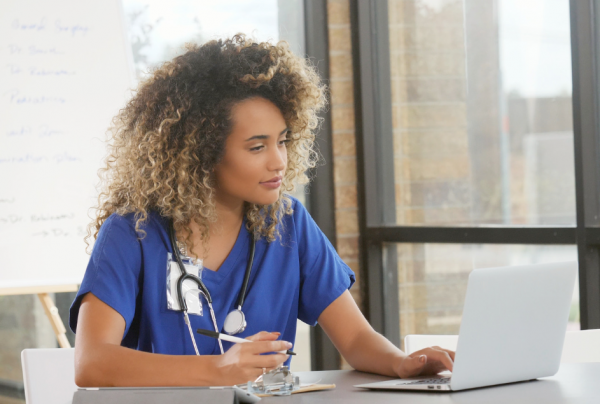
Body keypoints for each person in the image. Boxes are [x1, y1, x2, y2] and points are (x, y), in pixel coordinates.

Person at [70, 34, 454, 387]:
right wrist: (219, 370)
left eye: (283, 141)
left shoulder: (287, 222)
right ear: (201, 154)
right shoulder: (132, 232)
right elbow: (92, 362)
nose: (279, 162)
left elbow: (354, 338)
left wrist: (403, 363)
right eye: (257, 147)